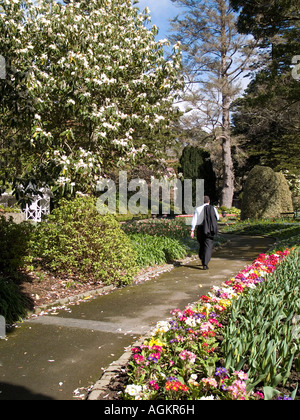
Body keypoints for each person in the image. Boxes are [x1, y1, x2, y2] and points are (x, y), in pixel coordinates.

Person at [191, 196, 219, 270]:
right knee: (208, 246)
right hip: (210, 229)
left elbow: (194, 220)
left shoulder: (198, 209)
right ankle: (205, 263)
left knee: (201, 243)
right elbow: (218, 217)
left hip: (200, 228)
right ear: (209, 201)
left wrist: (192, 230)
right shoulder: (213, 208)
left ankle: (201, 256)